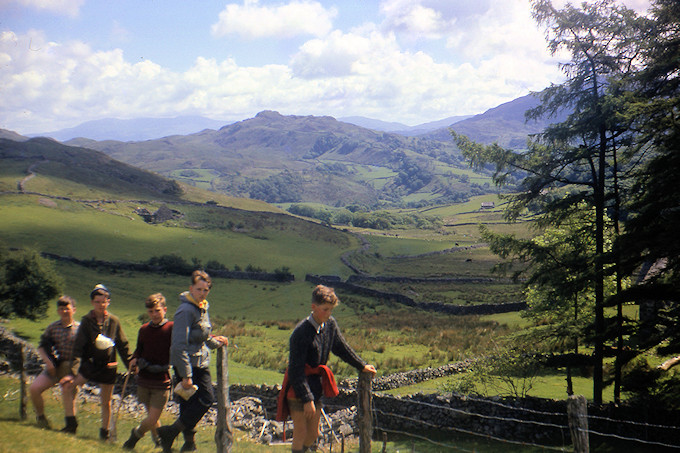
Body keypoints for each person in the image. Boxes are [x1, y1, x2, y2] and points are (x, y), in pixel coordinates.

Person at [278, 285, 376, 453]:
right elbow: (295, 370)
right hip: (298, 388)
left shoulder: (329, 324)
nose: (328, 314)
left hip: (316, 386)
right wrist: (307, 399)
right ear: (313, 307)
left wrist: (361, 365)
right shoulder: (300, 334)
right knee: (301, 432)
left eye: (331, 310)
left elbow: (341, 348)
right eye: (325, 309)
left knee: (314, 433)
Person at [157, 270, 228, 453]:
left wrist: (216, 342)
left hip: (200, 361)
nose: (202, 293)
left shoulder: (202, 307)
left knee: (189, 404)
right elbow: (178, 346)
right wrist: (186, 375)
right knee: (206, 399)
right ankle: (170, 432)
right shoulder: (185, 311)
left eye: (206, 290)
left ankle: (187, 444)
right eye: (199, 289)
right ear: (191, 288)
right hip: (188, 365)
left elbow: (203, 336)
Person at [60, 283, 132, 440]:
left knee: (106, 402)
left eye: (104, 301)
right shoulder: (86, 321)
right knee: (68, 387)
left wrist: (131, 365)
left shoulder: (114, 321)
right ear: (92, 302)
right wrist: (72, 373)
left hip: (108, 366)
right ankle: (71, 424)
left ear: (108, 302)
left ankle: (104, 434)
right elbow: (78, 347)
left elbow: (123, 345)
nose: (101, 305)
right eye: (97, 301)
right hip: (90, 364)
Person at [123, 293, 174, 450]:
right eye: (151, 311)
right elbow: (139, 349)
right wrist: (133, 358)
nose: (154, 314)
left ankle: (135, 436)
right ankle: (158, 440)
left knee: (152, 417)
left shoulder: (171, 328)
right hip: (144, 379)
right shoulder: (144, 329)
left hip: (162, 380)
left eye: (157, 310)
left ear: (165, 310)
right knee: (152, 417)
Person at [29, 295, 80, 431]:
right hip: (56, 365)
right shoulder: (52, 328)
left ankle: (70, 425)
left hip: (73, 367)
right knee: (34, 388)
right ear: (58, 311)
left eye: (67, 309)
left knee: (67, 389)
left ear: (73, 310)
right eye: (61, 309)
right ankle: (41, 418)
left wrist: (76, 373)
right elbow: (42, 346)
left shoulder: (80, 329)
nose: (64, 312)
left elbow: (85, 354)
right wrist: (49, 363)